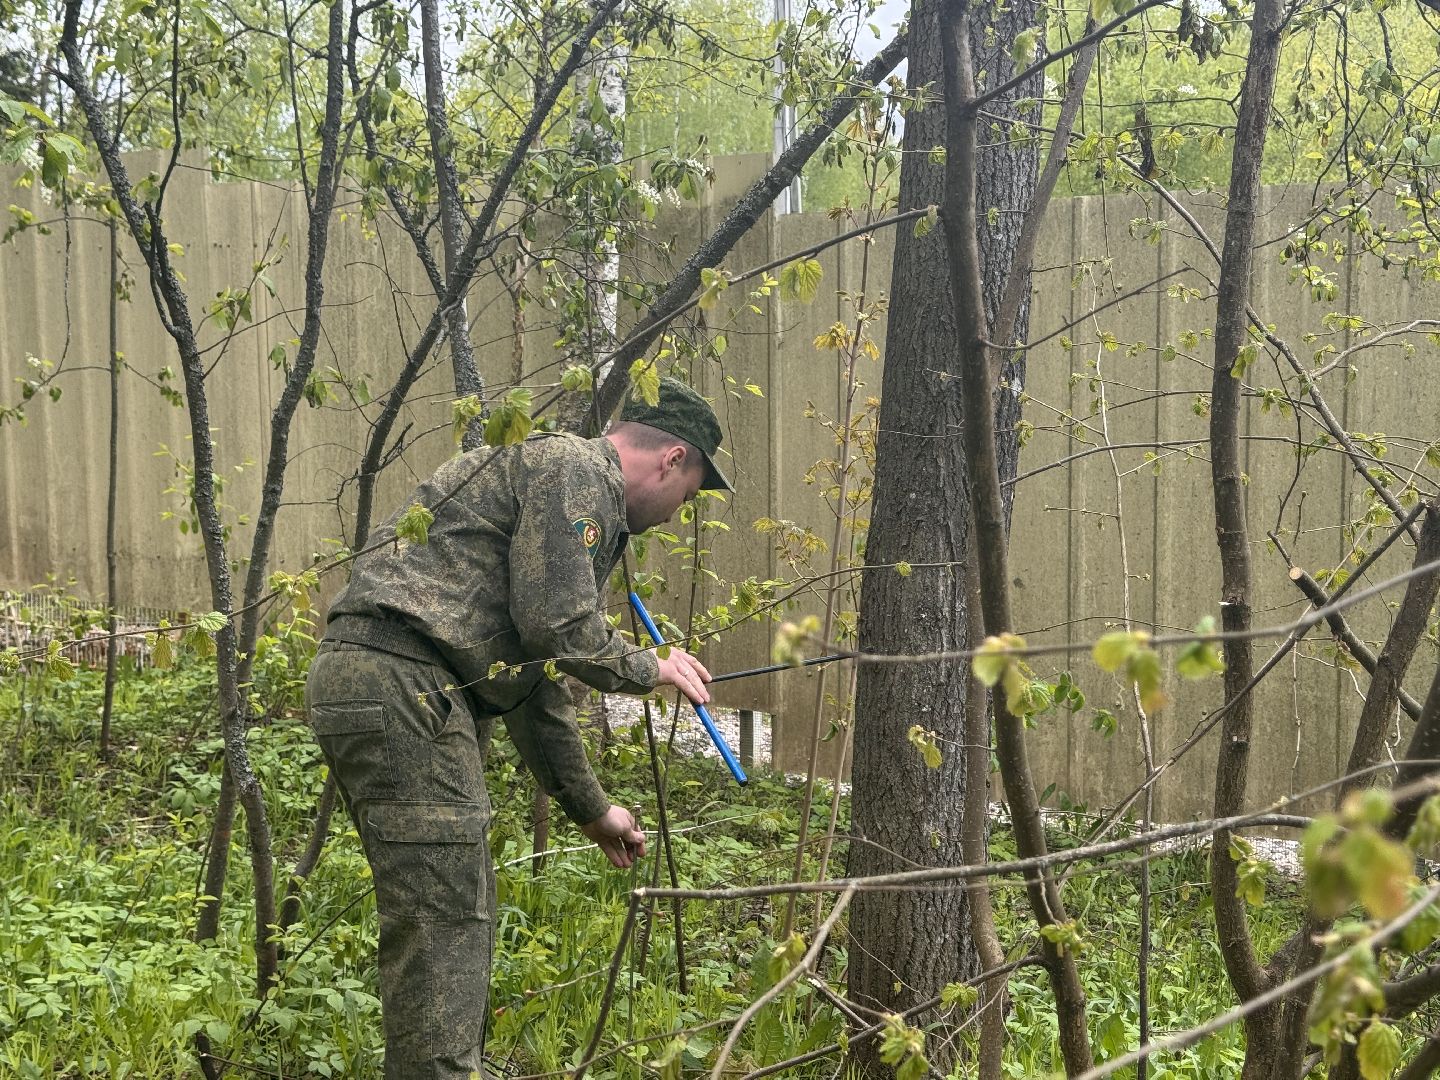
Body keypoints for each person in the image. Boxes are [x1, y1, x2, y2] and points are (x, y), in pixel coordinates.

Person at [305, 377, 732, 1079]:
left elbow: (534, 677)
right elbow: (557, 627)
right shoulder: (576, 471)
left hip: (391, 683)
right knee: (444, 925)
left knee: (449, 913)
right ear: (672, 459)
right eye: (686, 498)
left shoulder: (556, 481)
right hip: (407, 682)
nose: (675, 516)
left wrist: (590, 809)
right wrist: (646, 665)